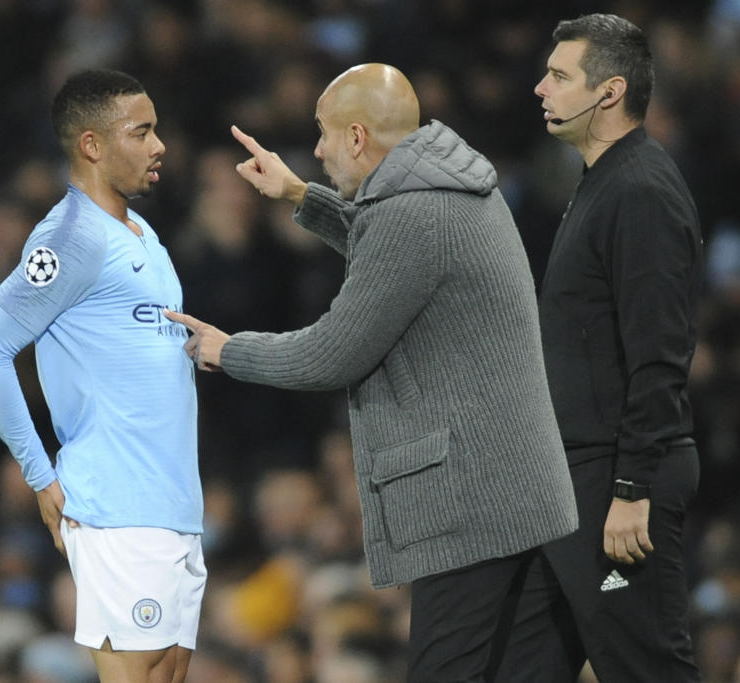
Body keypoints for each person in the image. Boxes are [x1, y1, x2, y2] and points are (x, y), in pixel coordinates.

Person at [164, 63, 579, 682]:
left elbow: (331, 353)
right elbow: (390, 248)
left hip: (472, 506)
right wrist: (302, 195)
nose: (318, 150)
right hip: (520, 494)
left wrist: (228, 351)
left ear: (357, 138)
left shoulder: (412, 218)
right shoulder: (451, 187)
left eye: (324, 135)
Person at [0, 69, 205, 683]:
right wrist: (41, 476)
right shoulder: (69, 239)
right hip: (116, 506)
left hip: (172, 505)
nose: (160, 145)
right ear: (92, 145)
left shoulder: (141, 232)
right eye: (141, 132)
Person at [492, 14, 703, 682]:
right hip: (574, 483)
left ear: (608, 92)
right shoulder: (602, 180)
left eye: (558, 75)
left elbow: (659, 355)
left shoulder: (639, 189)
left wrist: (630, 487)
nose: (539, 88)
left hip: (614, 483)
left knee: (647, 669)